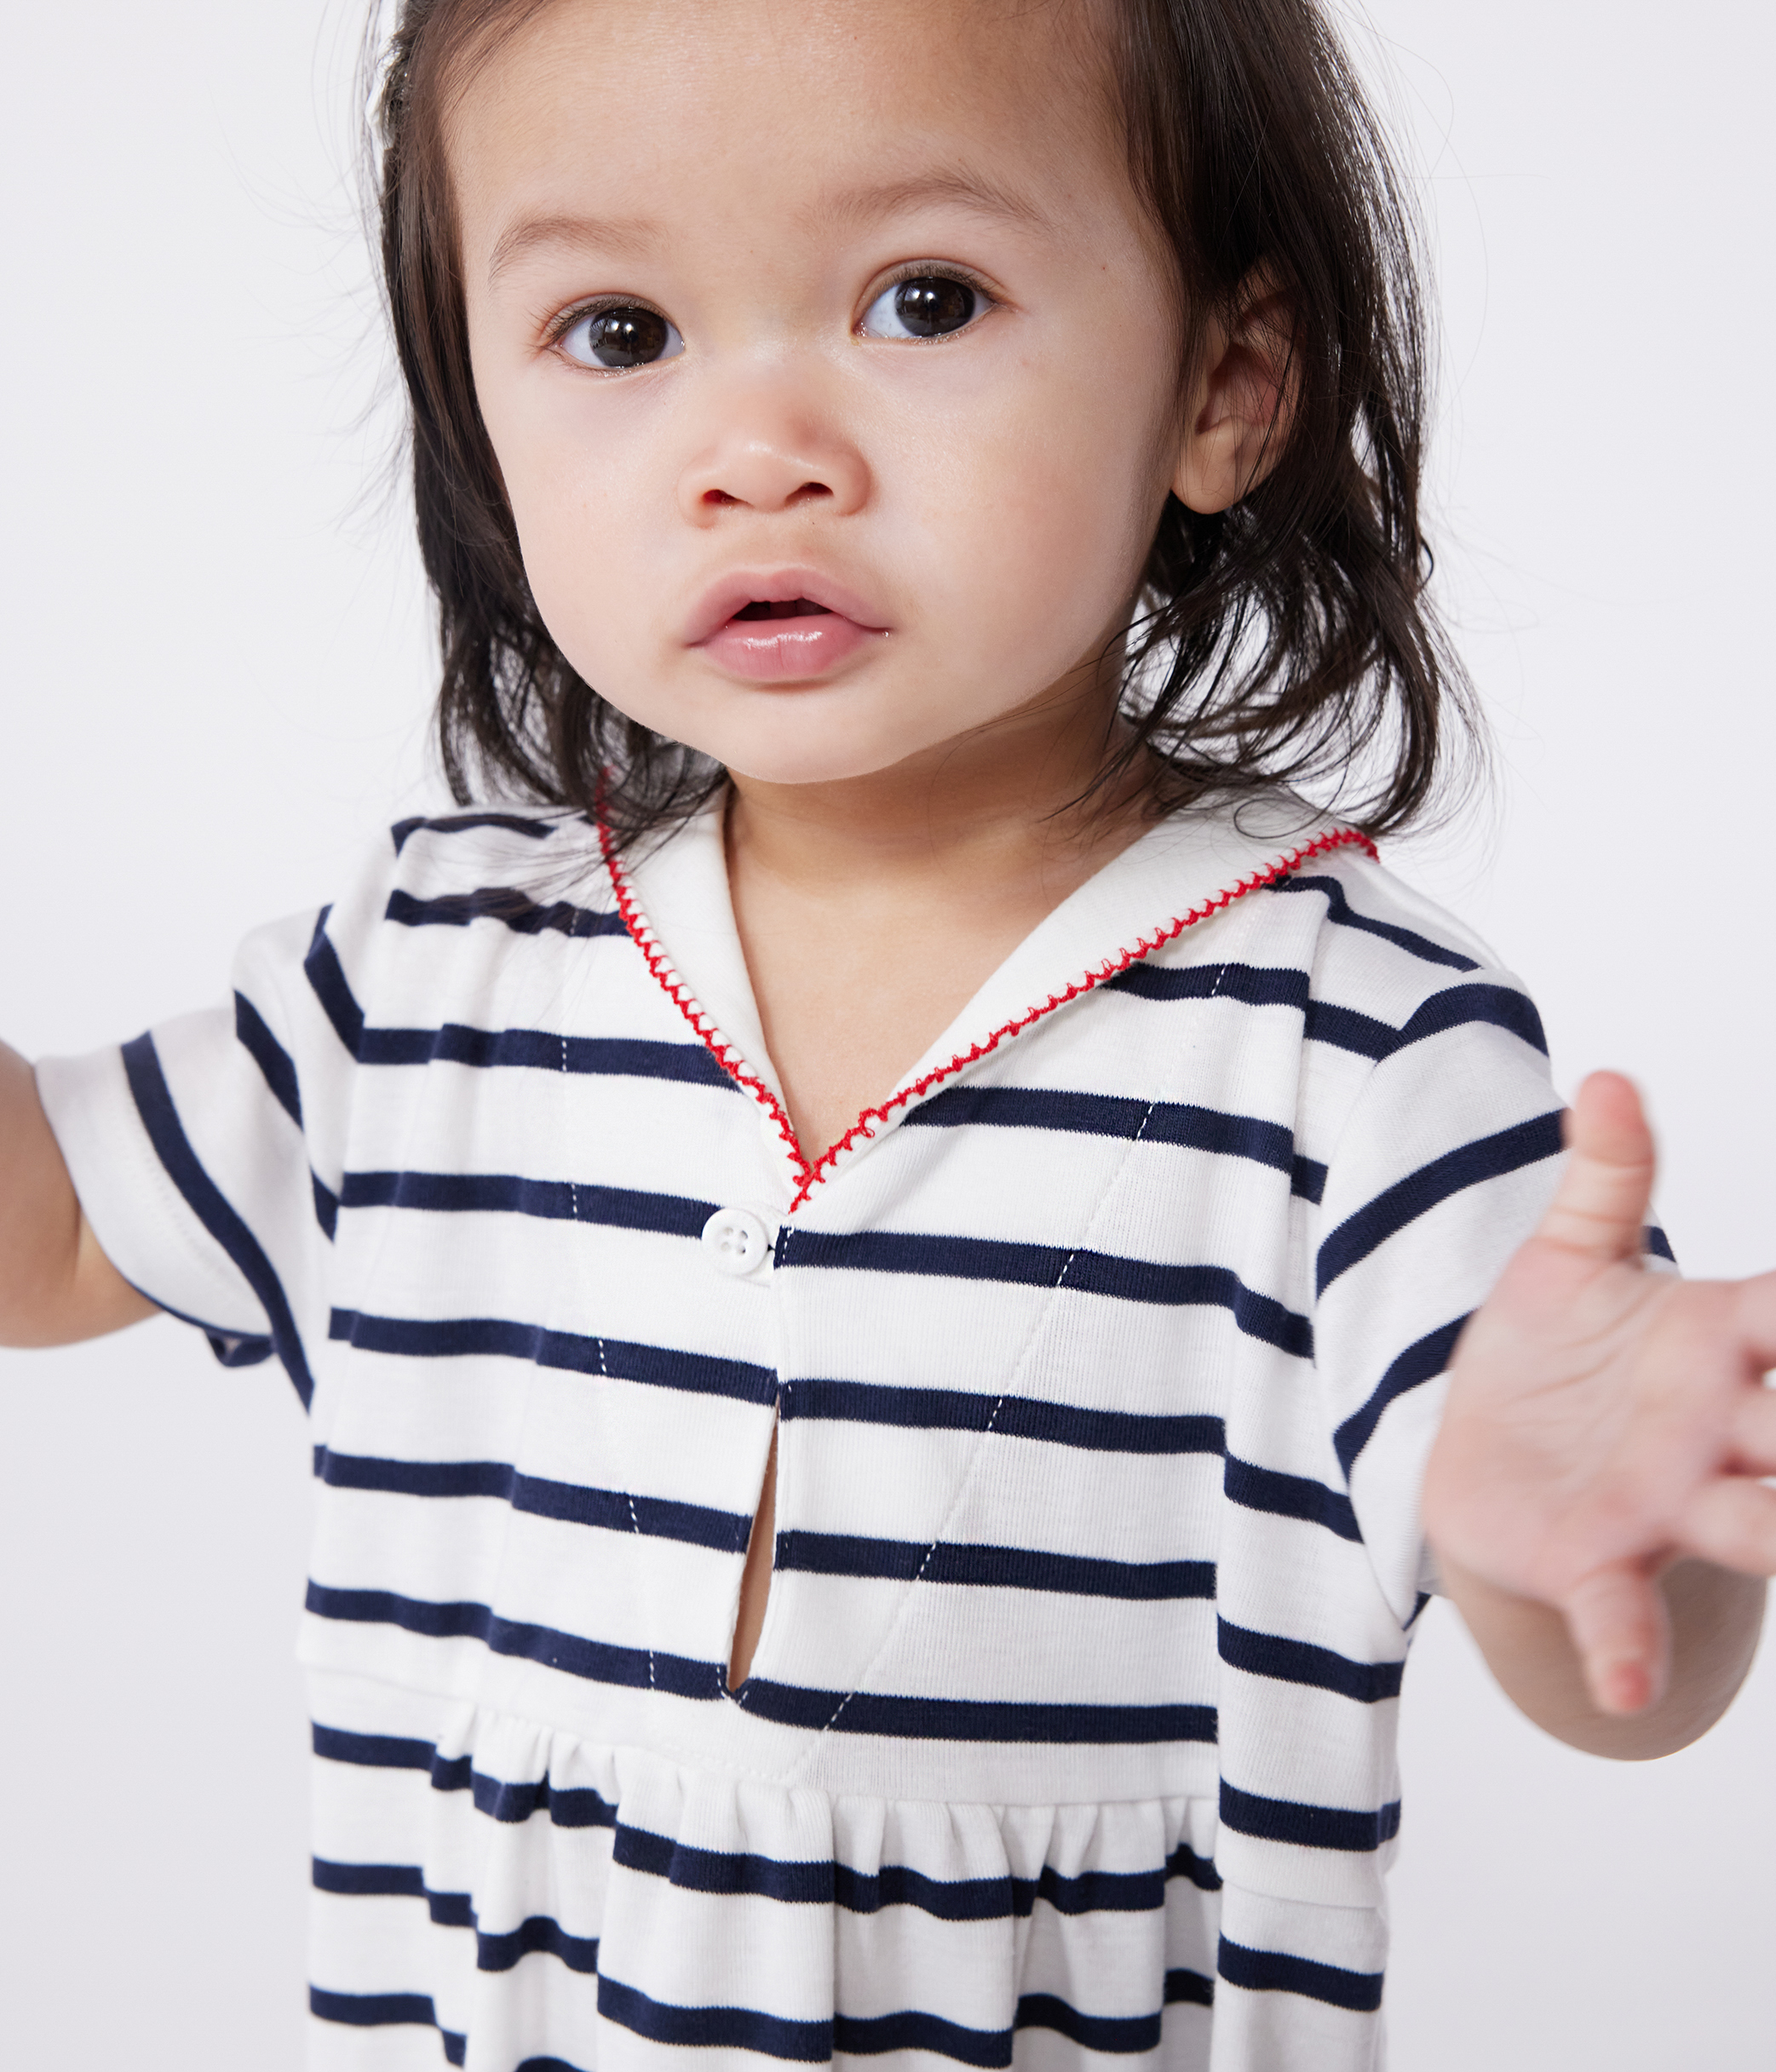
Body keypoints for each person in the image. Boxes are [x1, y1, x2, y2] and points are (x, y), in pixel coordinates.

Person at [3, 0, 1773, 2064]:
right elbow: (49, 1230)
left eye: (920, 300)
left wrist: (1599, 1516)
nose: (756, 452)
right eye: (617, 332)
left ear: (1224, 380)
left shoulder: (1345, 1056)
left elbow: (1615, 1647)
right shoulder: (431, 971)